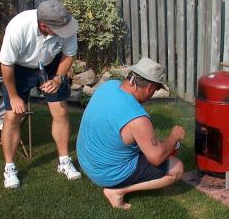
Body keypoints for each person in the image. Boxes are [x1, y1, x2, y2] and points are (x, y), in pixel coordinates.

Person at [76, 57, 185, 210]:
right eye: (156, 89)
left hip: (86, 161)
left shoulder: (108, 86)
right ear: (149, 88)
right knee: (176, 168)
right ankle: (117, 191)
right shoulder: (138, 118)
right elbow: (156, 158)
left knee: (149, 142)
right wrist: (174, 137)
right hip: (106, 174)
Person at [0, 0, 82, 189]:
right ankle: (9, 168)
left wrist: (58, 79)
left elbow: (69, 54)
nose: (66, 33)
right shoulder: (18, 27)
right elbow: (6, 64)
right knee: (12, 115)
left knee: (60, 111)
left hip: (51, 65)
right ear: (43, 26)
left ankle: (64, 161)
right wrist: (13, 96)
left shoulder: (65, 25)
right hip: (19, 69)